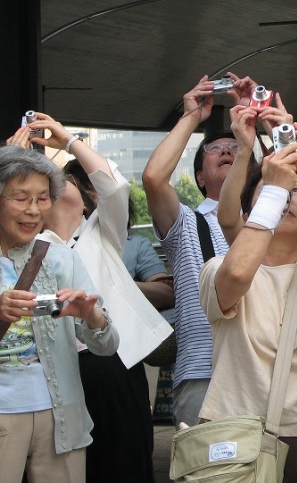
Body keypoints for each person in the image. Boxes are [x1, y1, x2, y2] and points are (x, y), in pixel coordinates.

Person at [198, 121, 297, 482]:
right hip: (236, 439)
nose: (284, 197)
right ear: (249, 215)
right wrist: (275, 187)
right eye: (272, 192)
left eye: (295, 191)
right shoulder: (218, 268)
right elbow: (237, 274)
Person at [26, 113, 171, 483]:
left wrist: (67, 140)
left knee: (125, 458)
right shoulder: (27, 246)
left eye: (66, 183)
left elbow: (115, 185)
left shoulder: (102, 233)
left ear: (87, 202)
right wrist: (17, 158)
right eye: (45, 190)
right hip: (56, 366)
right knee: (71, 464)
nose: (58, 190)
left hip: (113, 360)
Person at [0, 145, 119, 483]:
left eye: (42, 199)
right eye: (20, 198)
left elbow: (108, 346)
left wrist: (92, 316)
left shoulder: (61, 258)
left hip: (61, 417)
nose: (33, 210)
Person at [143, 73, 256, 428]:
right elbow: (153, 179)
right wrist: (192, 116)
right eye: (214, 150)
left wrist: (255, 113)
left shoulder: (269, 223)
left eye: (235, 147)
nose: (226, 151)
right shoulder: (186, 224)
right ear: (200, 178)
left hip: (262, 369)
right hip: (203, 373)